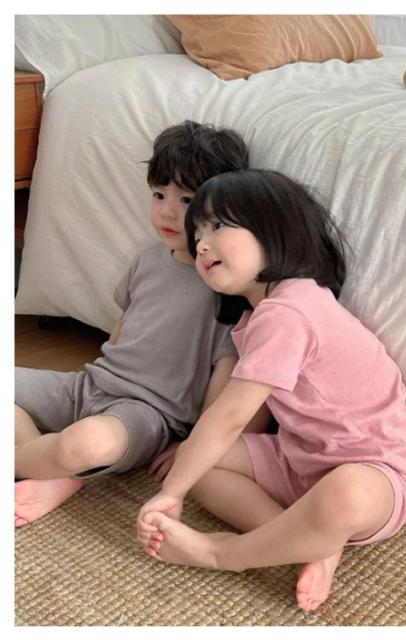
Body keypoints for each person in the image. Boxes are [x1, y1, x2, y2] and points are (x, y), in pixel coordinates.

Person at [136, 169, 406, 612]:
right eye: (197, 235)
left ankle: (222, 553)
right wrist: (190, 464)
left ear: (274, 228)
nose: (202, 245)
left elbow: (231, 415)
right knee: (200, 466)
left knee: (347, 493)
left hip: (374, 470)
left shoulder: (292, 309)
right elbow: (245, 420)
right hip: (299, 457)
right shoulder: (257, 318)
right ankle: (309, 544)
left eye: (217, 226)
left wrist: (171, 493)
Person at [15, 121, 268, 527]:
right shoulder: (148, 259)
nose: (167, 211)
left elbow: (225, 395)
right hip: (90, 385)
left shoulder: (227, 289)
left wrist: (192, 446)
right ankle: (51, 473)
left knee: (85, 444)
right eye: (158, 194)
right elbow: (120, 334)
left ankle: (47, 463)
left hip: (146, 415)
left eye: (186, 199)